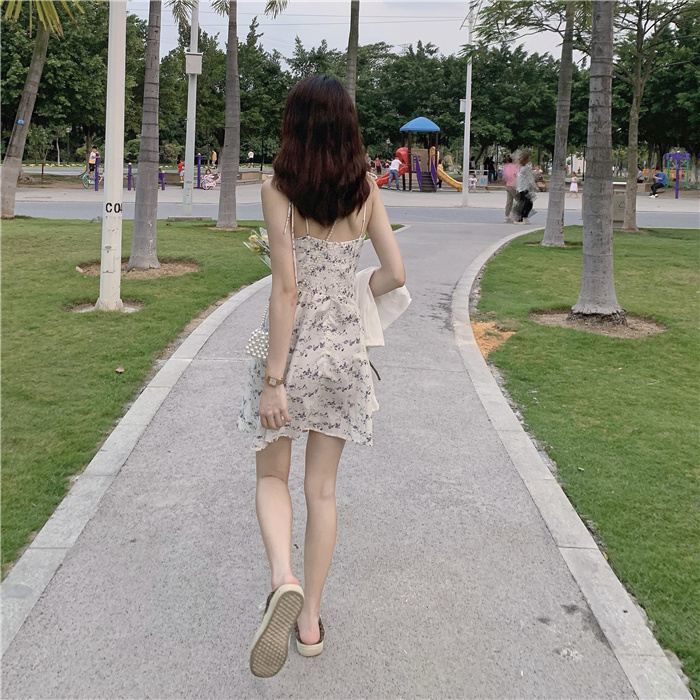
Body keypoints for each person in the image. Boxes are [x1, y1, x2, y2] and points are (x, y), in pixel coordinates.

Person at [238, 75, 406, 678]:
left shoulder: (277, 191)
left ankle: (281, 578)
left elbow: (285, 289)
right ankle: (309, 622)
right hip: (344, 360)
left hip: (292, 357)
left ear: (295, 126)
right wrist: (350, 293)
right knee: (323, 491)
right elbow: (395, 274)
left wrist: (273, 380)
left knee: (271, 476)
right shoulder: (366, 191)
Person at [514, 150, 538, 223]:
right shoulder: (525, 168)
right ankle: (523, 217)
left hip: (521, 188)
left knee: (524, 202)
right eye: (529, 158)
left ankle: (521, 217)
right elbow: (530, 178)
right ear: (526, 159)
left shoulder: (521, 167)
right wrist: (535, 187)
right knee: (528, 203)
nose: (530, 159)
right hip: (525, 188)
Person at [502, 154, 519, 222]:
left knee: (509, 201)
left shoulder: (505, 166)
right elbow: (517, 175)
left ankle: (506, 216)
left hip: (508, 185)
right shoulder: (516, 166)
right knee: (519, 201)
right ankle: (515, 215)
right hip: (514, 185)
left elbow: (504, 177)